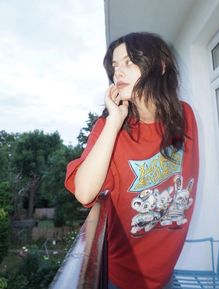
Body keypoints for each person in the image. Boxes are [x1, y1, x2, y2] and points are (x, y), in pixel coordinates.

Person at [65, 32, 199, 289]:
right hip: (122, 278)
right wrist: (114, 121)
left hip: (167, 275)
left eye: (128, 62)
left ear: (160, 66)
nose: (118, 72)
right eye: (115, 66)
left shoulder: (185, 117)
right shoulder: (109, 129)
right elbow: (84, 192)